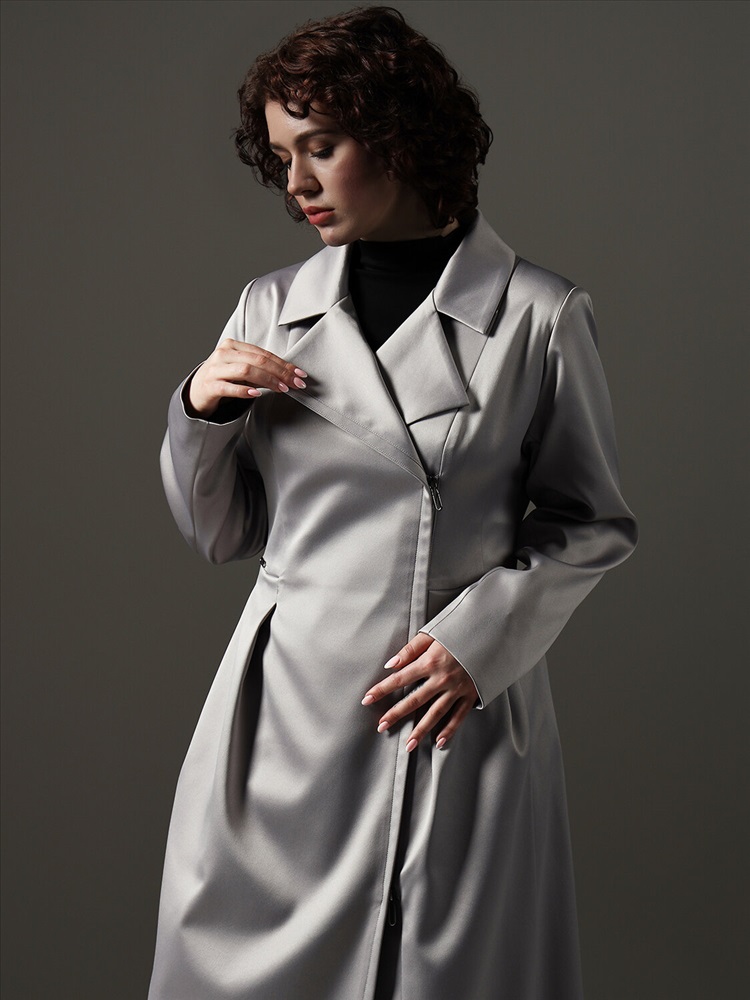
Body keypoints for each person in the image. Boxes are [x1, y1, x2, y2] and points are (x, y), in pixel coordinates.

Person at [148, 6, 638, 999]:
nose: (296, 183)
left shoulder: (538, 316)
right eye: (282, 155)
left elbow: (590, 522)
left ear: (400, 135)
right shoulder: (269, 305)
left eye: (321, 147)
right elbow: (222, 533)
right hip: (281, 721)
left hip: (444, 708)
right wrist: (199, 413)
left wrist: (480, 643)